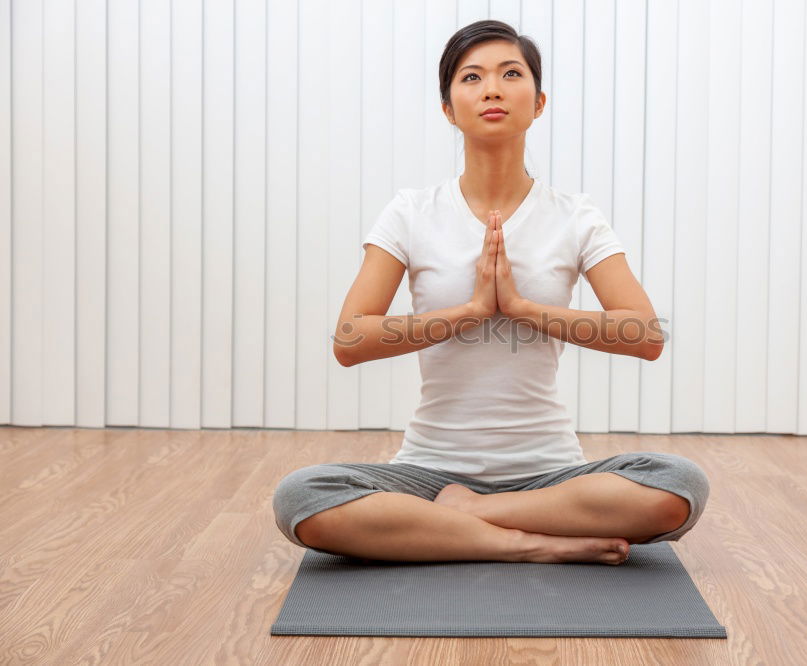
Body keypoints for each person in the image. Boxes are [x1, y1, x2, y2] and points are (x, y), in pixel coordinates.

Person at [273, 20, 710, 566]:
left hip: (551, 474)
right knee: (302, 496)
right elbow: (349, 339)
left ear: (539, 101)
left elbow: (645, 335)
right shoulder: (411, 212)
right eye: (471, 77)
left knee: (677, 485)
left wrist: (524, 309)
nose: (493, 89)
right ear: (449, 109)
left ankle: (464, 519)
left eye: (511, 73)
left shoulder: (575, 217)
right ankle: (523, 542)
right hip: (430, 470)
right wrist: (471, 311)